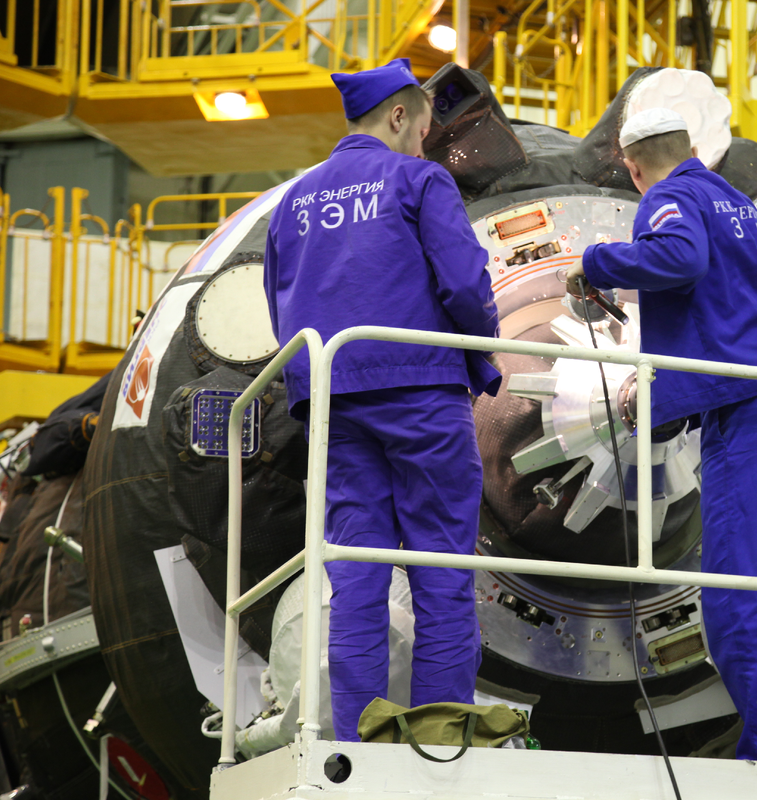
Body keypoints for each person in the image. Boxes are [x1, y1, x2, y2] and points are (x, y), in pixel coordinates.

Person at [566, 107, 757, 762]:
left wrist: (597, 263)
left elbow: (680, 256)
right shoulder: (734, 202)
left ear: (633, 168)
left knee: (741, 594)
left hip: (747, 409)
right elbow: (724, 291)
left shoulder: (669, 197)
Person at [263, 58, 501, 742]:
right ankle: (439, 734)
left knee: (356, 573)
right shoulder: (418, 180)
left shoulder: (293, 202)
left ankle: (357, 736)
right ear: (400, 116)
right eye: (422, 130)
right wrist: (483, 352)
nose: (423, 144)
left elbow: (279, 307)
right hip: (421, 391)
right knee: (441, 566)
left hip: (333, 401)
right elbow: (464, 285)